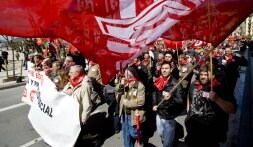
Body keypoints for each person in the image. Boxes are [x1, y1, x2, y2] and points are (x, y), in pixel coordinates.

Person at [185, 65, 236, 147]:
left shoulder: (220, 88)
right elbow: (189, 96)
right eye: (201, 74)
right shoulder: (194, 84)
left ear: (213, 76)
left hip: (210, 133)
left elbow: (232, 109)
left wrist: (217, 99)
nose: (203, 77)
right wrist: (188, 110)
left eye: (206, 75)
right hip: (193, 130)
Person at [152, 61, 184, 147]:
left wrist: (171, 98)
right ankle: (174, 139)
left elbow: (180, 101)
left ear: (171, 70)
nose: (164, 70)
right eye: (163, 68)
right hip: (159, 114)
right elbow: (154, 94)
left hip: (170, 117)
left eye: (166, 68)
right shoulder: (158, 81)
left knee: (167, 143)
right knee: (161, 135)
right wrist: (154, 104)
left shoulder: (176, 83)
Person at [116, 67, 146, 147]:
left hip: (133, 113)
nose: (126, 76)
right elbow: (117, 90)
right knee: (126, 134)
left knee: (134, 133)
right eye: (125, 74)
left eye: (128, 74)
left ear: (132, 74)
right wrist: (121, 85)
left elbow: (141, 101)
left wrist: (127, 103)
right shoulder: (124, 82)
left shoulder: (139, 85)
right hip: (124, 113)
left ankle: (140, 140)